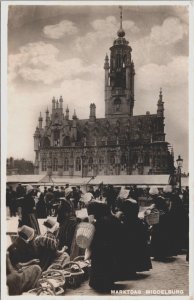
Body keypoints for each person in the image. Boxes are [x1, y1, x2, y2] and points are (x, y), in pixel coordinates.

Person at [87, 202, 122, 293]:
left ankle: (100, 283)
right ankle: (109, 281)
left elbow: (96, 236)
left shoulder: (100, 222)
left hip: (101, 248)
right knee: (109, 264)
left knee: (100, 266)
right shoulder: (113, 218)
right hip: (112, 247)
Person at [119, 199, 152, 279]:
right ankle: (133, 269)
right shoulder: (138, 222)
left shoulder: (124, 221)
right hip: (137, 241)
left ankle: (128, 270)